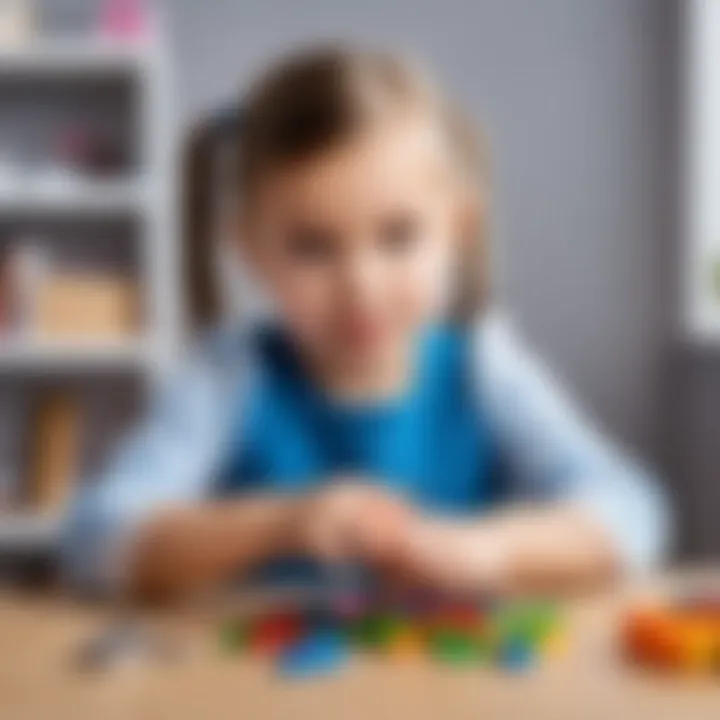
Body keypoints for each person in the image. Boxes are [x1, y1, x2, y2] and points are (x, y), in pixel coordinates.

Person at [63, 46, 670, 602]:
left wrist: (484, 550)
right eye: (312, 246)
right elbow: (94, 539)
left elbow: (634, 513)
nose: (361, 285)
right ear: (249, 250)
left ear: (457, 230)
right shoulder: (229, 374)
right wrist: (281, 525)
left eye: (398, 237)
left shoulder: (485, 365)